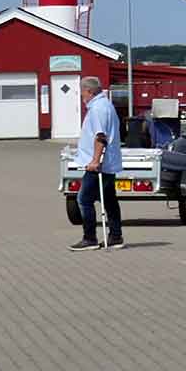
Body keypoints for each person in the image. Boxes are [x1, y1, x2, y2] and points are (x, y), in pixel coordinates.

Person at [70, 78, 123, 252]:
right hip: (107, 163)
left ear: (90, 92)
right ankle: (115, 236)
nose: (81, 96)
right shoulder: (104, 106)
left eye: (82, 92)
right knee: (109, 200)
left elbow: (101, 137)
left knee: (84, 199)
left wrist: (94, 161)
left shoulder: (98, 109)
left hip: (99, 165)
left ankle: (90, 238)